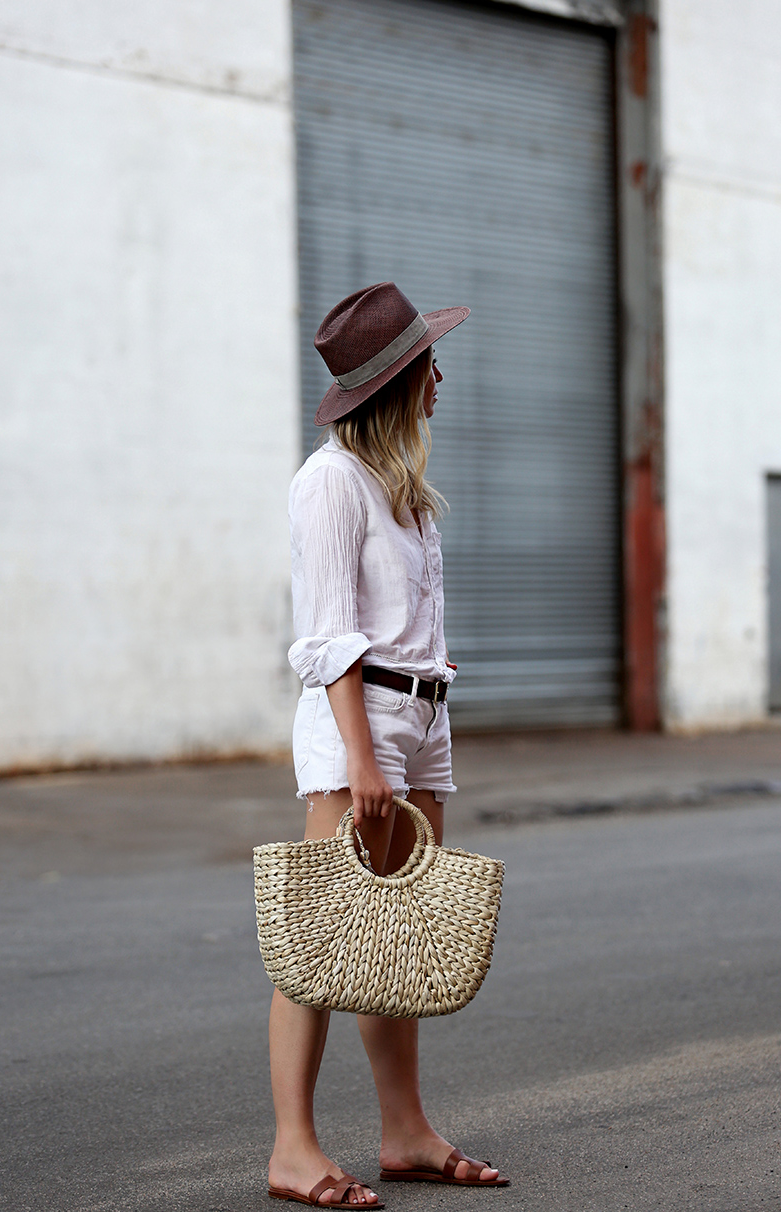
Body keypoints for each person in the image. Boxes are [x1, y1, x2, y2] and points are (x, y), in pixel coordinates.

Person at [267, 282, 508, 1208]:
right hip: (355, 722)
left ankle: (404, 1131)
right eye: (428, 365)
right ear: (398, 382)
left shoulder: (404, 489)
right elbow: (324, 637)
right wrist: (363, 761)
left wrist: (423, 730)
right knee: (320, 933)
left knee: (393, 932)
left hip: (422, 714)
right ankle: (293, 1147)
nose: (441, 378)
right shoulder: (328, 483)